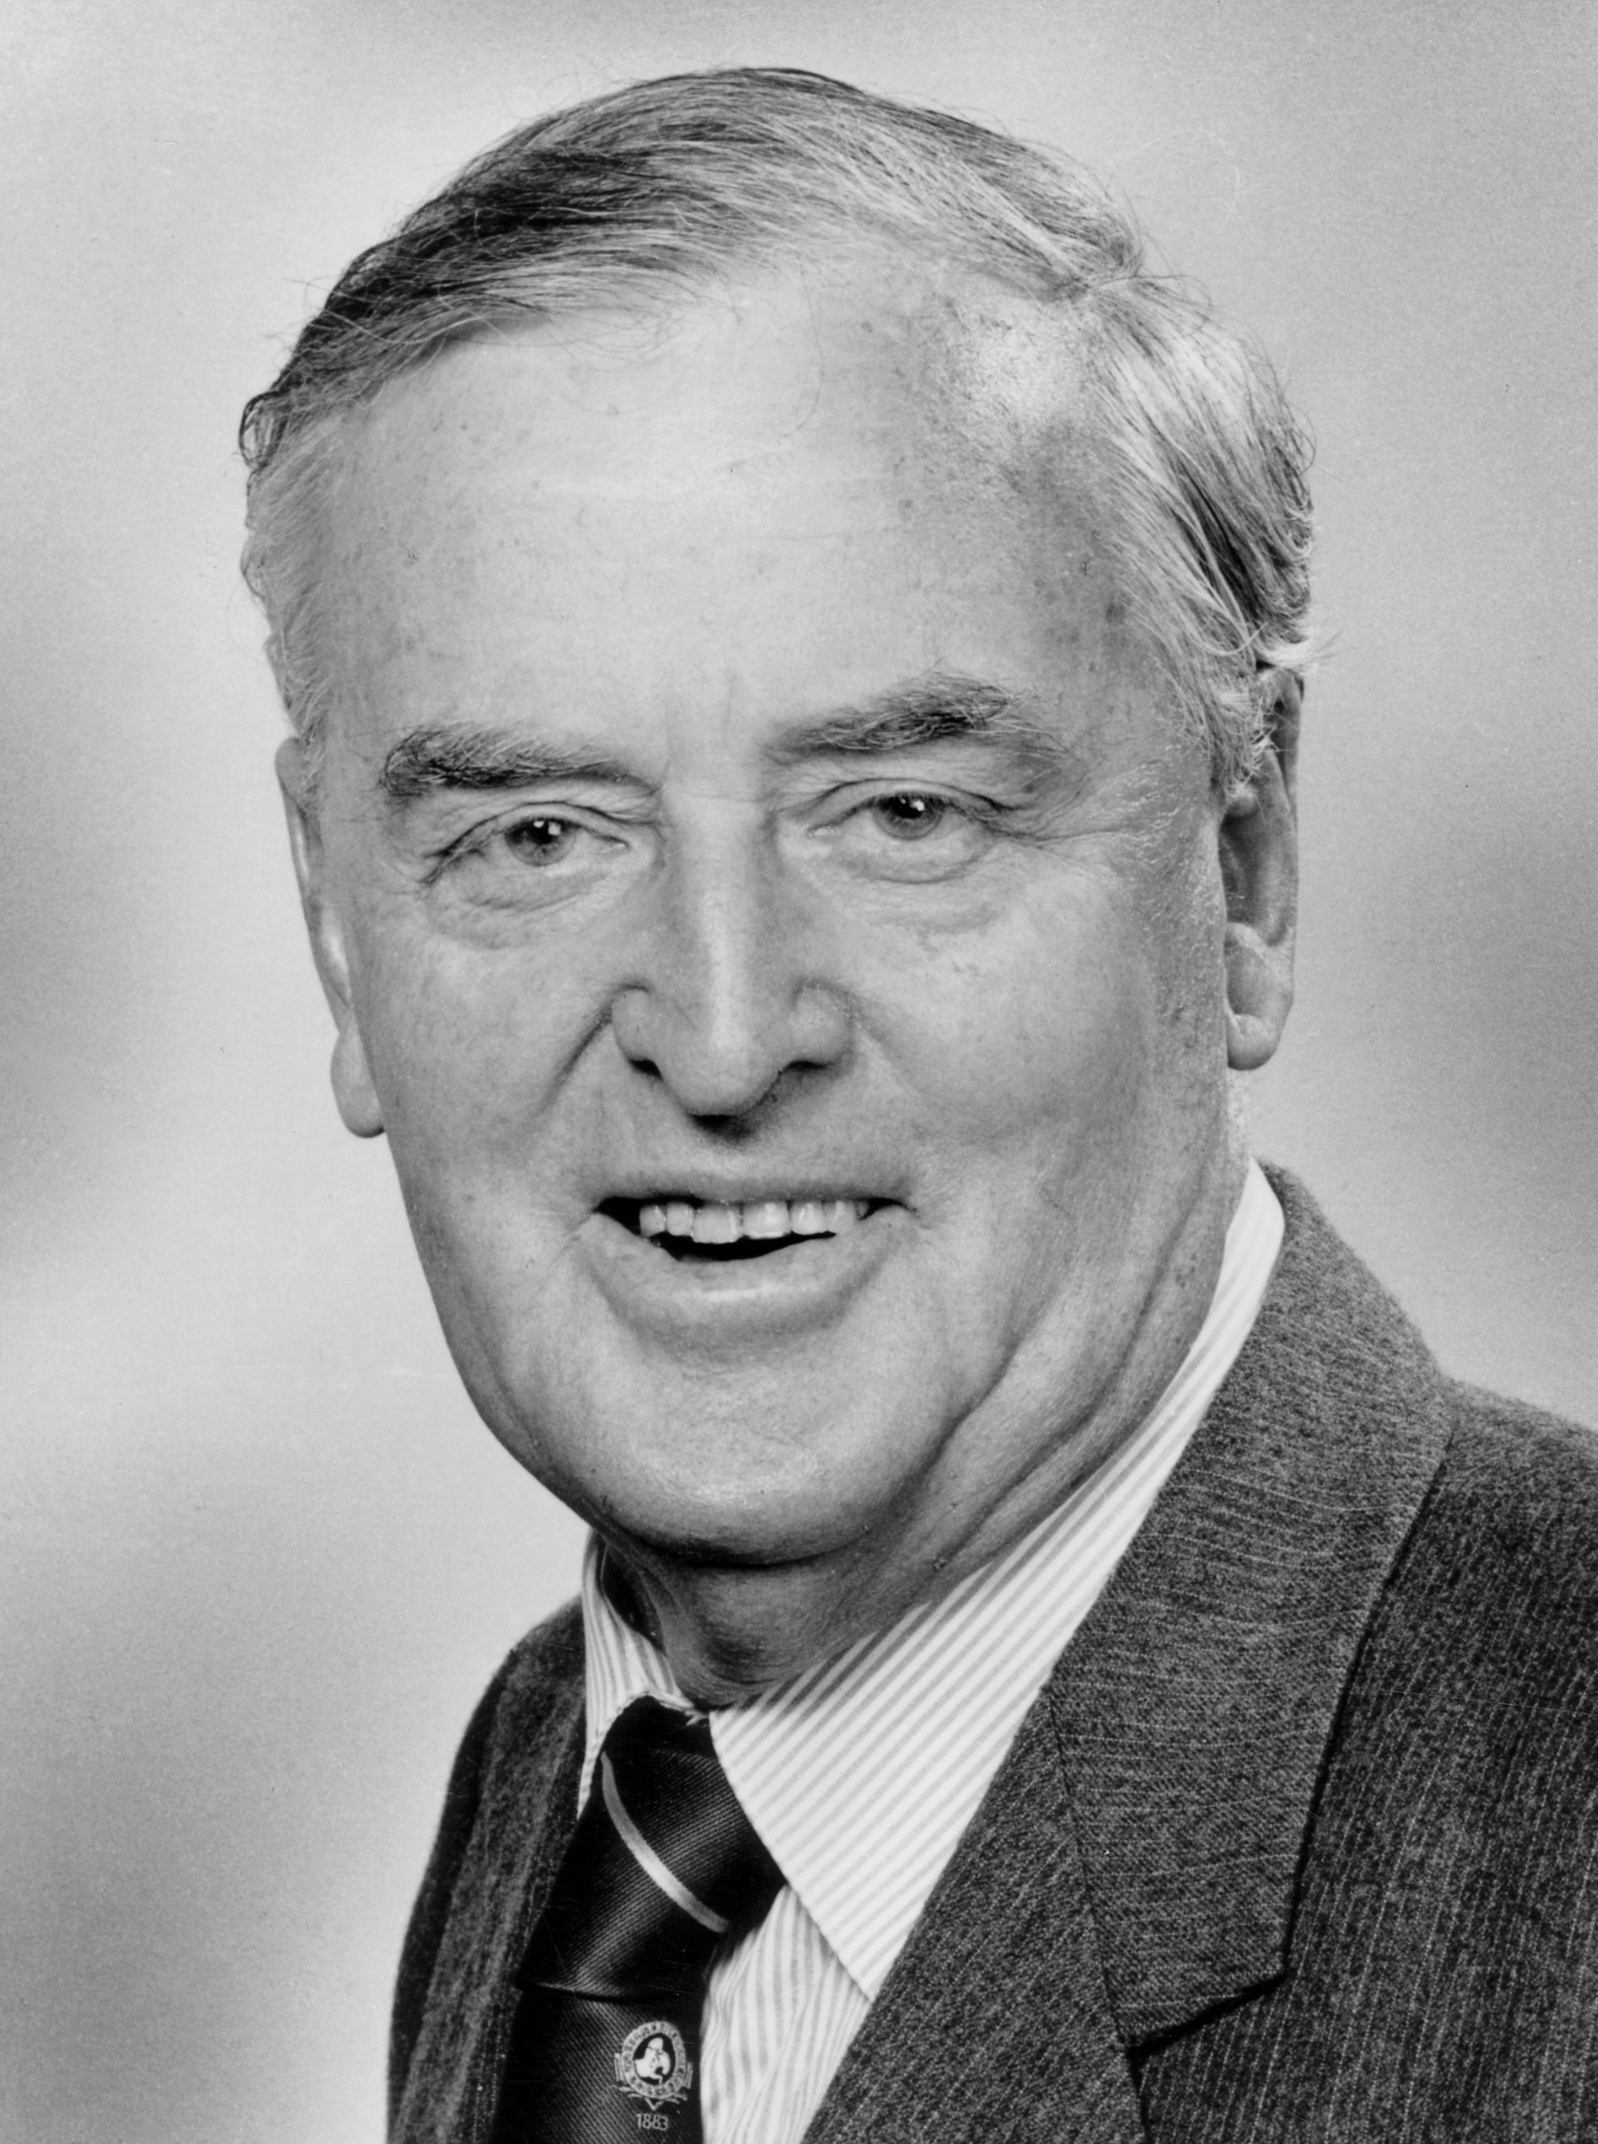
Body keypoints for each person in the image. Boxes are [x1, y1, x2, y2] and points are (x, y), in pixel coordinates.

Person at [239, 66, 1598, 2143]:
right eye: (535, 832)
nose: (720, 1039)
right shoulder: (570, 1785)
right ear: (343, 939)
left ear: (1243, 866)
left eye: (903, 813)